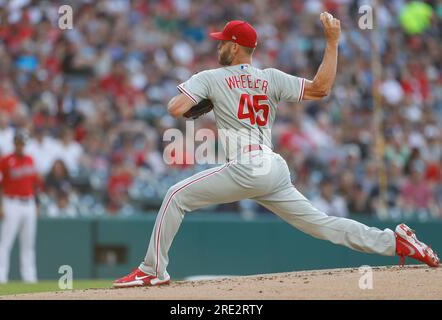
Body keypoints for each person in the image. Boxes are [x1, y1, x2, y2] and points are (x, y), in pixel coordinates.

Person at [113, 15, 439, 288]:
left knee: (174, 195)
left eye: (222, 41)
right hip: (273, 167)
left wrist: (204, 99)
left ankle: (152, 271)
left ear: (236, 46)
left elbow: (175, 109)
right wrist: (332, 42)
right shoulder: (270, 78)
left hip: (247, 166)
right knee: (322, 224)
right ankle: (395, 241)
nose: (217, 45)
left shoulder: (210, 77)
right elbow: (321, 88)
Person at [0, 131, 40, 283]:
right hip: (11, 202)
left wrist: (37, 203)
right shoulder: (6, 160)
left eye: (23, 143)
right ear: (14, 143)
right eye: (18, 142)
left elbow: (34, 184)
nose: (21, 145)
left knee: (28, 244)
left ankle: (30, 277)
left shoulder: (30, 159)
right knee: (5, 242)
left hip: (29, 203)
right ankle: (0, 277)